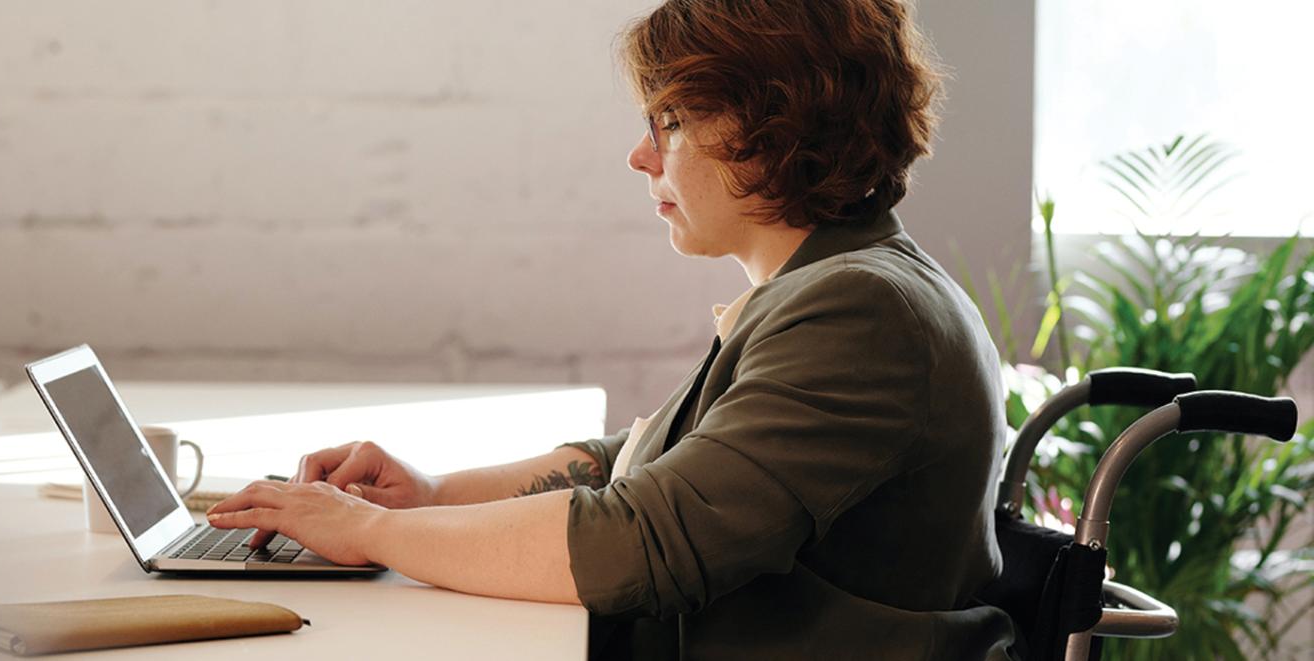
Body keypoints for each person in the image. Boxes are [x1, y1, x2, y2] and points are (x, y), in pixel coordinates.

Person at [208, 0, 1016, 657]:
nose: (640, 155)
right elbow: (640, 464)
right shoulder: (837, 283)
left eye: (670, 121)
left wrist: (376, 533)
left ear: (773, 129)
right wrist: (426, 496)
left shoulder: (861, 313)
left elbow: (645, 540)